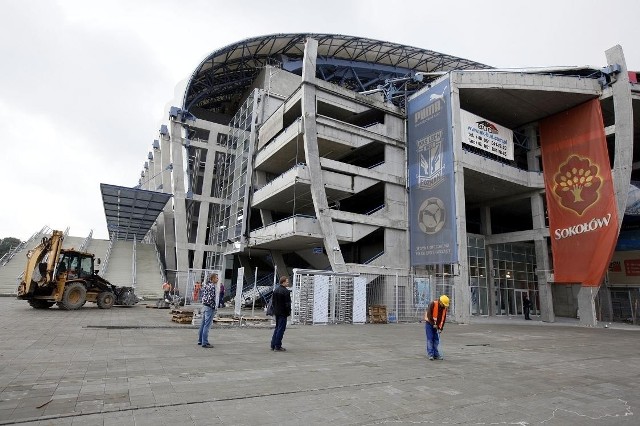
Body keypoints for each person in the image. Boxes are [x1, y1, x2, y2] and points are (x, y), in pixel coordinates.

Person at [424, 295, 449, 360]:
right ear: (440, 302)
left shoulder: (444, 308)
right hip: (429, 324)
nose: (444, 306)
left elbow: (443, 319)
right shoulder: (433, 304)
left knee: (436, 340)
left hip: (437, 326)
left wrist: (441, 328)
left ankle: (436, 354)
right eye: (443, 304)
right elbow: (429, 315)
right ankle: (430, 354)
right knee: (430, 339)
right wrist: (433, 323)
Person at [270, 276, 291, 351]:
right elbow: (287, 304)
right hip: (283, 312)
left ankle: (273, 345)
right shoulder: (286, 292)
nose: (288, 283)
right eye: (287, 282)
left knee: (277, 328)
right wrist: (288, 312)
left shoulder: (276, 290)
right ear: (283, 282)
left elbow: (273, 302)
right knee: (281, 329)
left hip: (277, 312)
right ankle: (278, 346)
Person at [198, 273, 218, 348]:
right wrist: (214, 306)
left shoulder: (206, 285)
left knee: (203, 324)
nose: (217, 279)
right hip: (210, 307)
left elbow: (203, 295)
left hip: (205, 306)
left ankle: (200, 340)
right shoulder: (212, 286)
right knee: (207, 325)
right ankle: (205, 342)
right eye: (216, 278)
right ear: (212, 279)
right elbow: (211, 298)